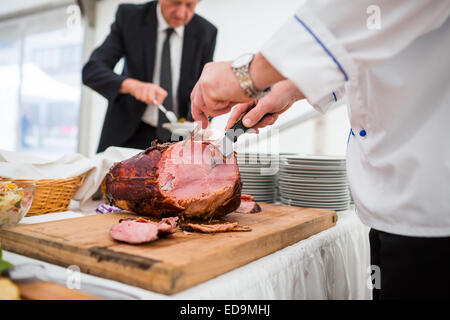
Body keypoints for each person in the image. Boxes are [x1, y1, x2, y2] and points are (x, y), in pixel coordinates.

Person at [191, 0, 450, 300]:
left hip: (432, 216)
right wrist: (289, 88)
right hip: (399, 213)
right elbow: (381, 44)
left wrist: (248, 75)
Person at [82, 0, 217, 152]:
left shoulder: (206, 32)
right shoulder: (130, 17)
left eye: (189, 5)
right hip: (129, 135)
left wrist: (202, 120)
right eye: (175, 3)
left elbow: (203, 88)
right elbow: (92, 70)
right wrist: (131, 86)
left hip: (179, 141)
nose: (181, 13)